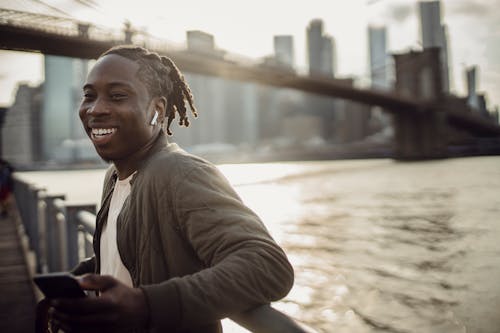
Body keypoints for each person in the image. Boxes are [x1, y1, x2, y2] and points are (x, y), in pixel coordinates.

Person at [44, 45, 294, 333]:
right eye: (89, 96)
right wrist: (84, 277)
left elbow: (267, 265)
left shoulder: (180, 173)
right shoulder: (115, 176)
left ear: (157, 110)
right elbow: (137, 246)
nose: (96, 109)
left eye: (117, 96)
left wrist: (146, 305)